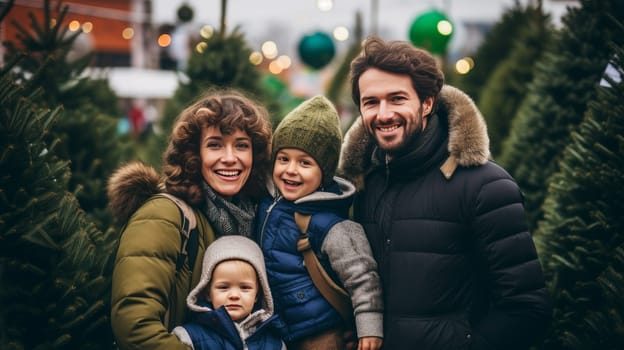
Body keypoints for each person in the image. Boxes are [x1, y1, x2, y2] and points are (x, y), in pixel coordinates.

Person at [338, 36, 552, 349]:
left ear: (427, 103)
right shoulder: (364, 185)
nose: (383, 114)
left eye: (397, 99)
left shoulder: (484, 186)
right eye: (371, 102)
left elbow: (526, 309)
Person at [107, 88, 273, 350]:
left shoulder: (254, 218)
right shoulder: (162, 216)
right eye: (215, 144)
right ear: (194, 155)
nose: (230, 158)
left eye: (241, 145)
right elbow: (135, 327)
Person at [256, 95, 384, 350]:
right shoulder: (268, 202)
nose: (291, 170)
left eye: (305, 163)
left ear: (323, 173)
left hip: (321, 332)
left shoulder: (330, 224)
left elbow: (362, 276)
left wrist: (369, 327)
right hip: (278, 329)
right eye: (284, 159)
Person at [172, 235, 286, 349]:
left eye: (245, 287)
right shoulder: (188, 338)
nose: (234, 295)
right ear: (207, 293)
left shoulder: (275, 344)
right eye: (224, 287)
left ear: (257, 294)